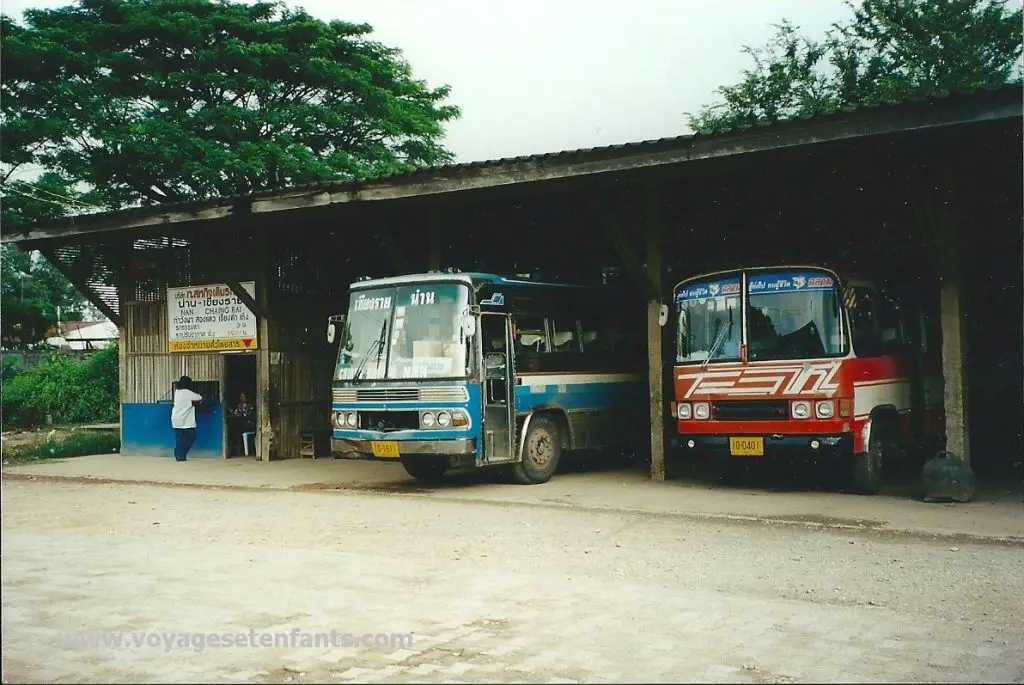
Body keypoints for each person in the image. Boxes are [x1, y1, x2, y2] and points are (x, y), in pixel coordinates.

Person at [171, 375, 203, 461]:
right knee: (191, 437)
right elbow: (199, 397)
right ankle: (181, 455)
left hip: (175, 418)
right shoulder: (187, 392)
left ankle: (179, 454)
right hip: (185, 420)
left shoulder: (177, 392)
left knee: (179, 438)